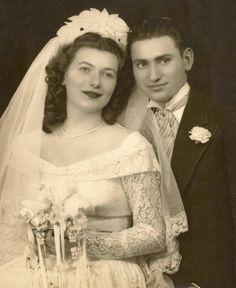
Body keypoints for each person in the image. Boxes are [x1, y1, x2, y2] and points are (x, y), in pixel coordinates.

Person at [0, 9, 188, 288]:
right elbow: (9, 232)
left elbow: (153, 233)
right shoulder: (26, 146)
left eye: (107, 74)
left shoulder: (130, 147)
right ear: (63, 75)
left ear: (116, 84)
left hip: (106, 276)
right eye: (84, 69)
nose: (95, 82)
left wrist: (83, 242)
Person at [123, 16, 235, 288]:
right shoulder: (122, 128)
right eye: (142, 64)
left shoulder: (225, 123)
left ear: (187, 59)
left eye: (164, 60)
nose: (153, 75)